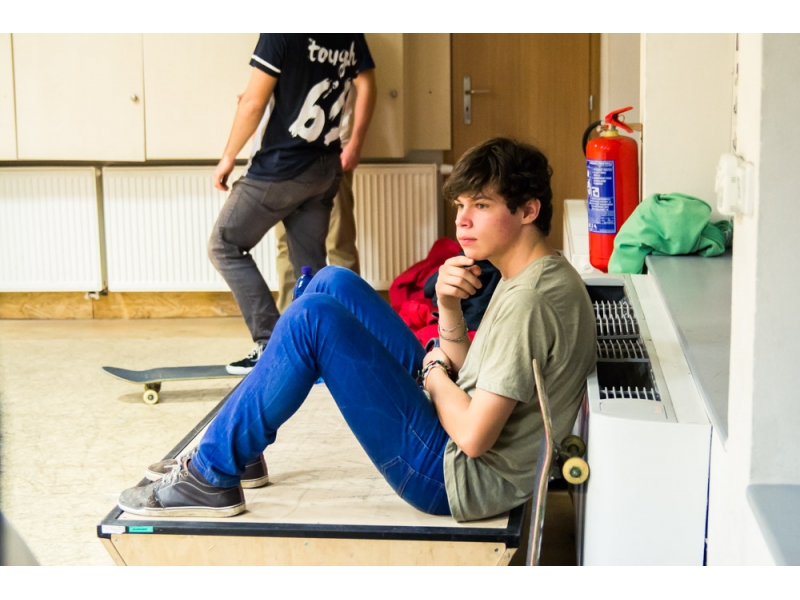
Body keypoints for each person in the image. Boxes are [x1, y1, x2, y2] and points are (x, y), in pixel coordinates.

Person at [118, 138, 597, 523]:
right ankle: (237, 448)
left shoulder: (530, 302)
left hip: (452, 475)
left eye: (482, 205)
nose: (462, 221)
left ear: (528, 210)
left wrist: (432, 374)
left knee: (312, 318)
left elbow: (473, 436)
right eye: (460, 205)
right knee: (333, 281)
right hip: (453, 424)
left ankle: (211, 472)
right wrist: (447, 306)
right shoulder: (531, 273)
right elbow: (477, 372)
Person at [208, 34, 376, 375]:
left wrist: (228, 157)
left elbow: (252, 104)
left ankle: (270, 343)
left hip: (281, 169)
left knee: (224, 245)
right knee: (308, 266)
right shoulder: (347, 33)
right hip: (324, 169)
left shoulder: (281, 33)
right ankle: (315, 349)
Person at [274, 86, 361, 314]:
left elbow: (366, 86)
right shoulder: (275, 60)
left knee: (339, 242)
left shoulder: (344, 58)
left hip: (331, 152)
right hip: (284, 157)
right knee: (286, 245)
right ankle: (290, 319)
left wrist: (355, 143)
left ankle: (351, 316)